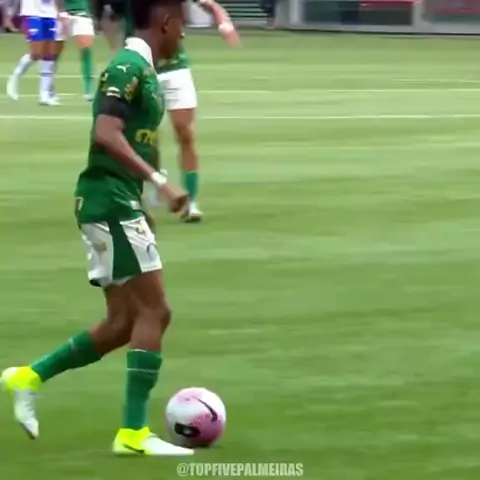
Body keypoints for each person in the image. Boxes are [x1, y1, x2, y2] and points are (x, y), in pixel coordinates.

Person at [1, 0, 195, 457]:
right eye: (182, 26)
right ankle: (133, 434)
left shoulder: (145, 71)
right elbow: (106, 134)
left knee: (122, 323)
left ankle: (28, 377)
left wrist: (144, 204)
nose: (183, 36)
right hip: (108, 202)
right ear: (166, 21)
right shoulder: (128, 67)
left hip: (115, 202)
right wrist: (160, 184)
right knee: (156, 312)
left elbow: (137, 142)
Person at [7, 0, 65, 105]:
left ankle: (44, 95)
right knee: (36, 53)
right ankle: (15, 77)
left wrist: (60, 11)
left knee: (48, 54)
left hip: (50, 13)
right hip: (32, 13)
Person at [63, 0, 95, 100]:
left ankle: (88, 89)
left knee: (86, 51)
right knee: (52, 53)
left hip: (82, 16)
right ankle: (47, 90)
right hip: (62, 15)